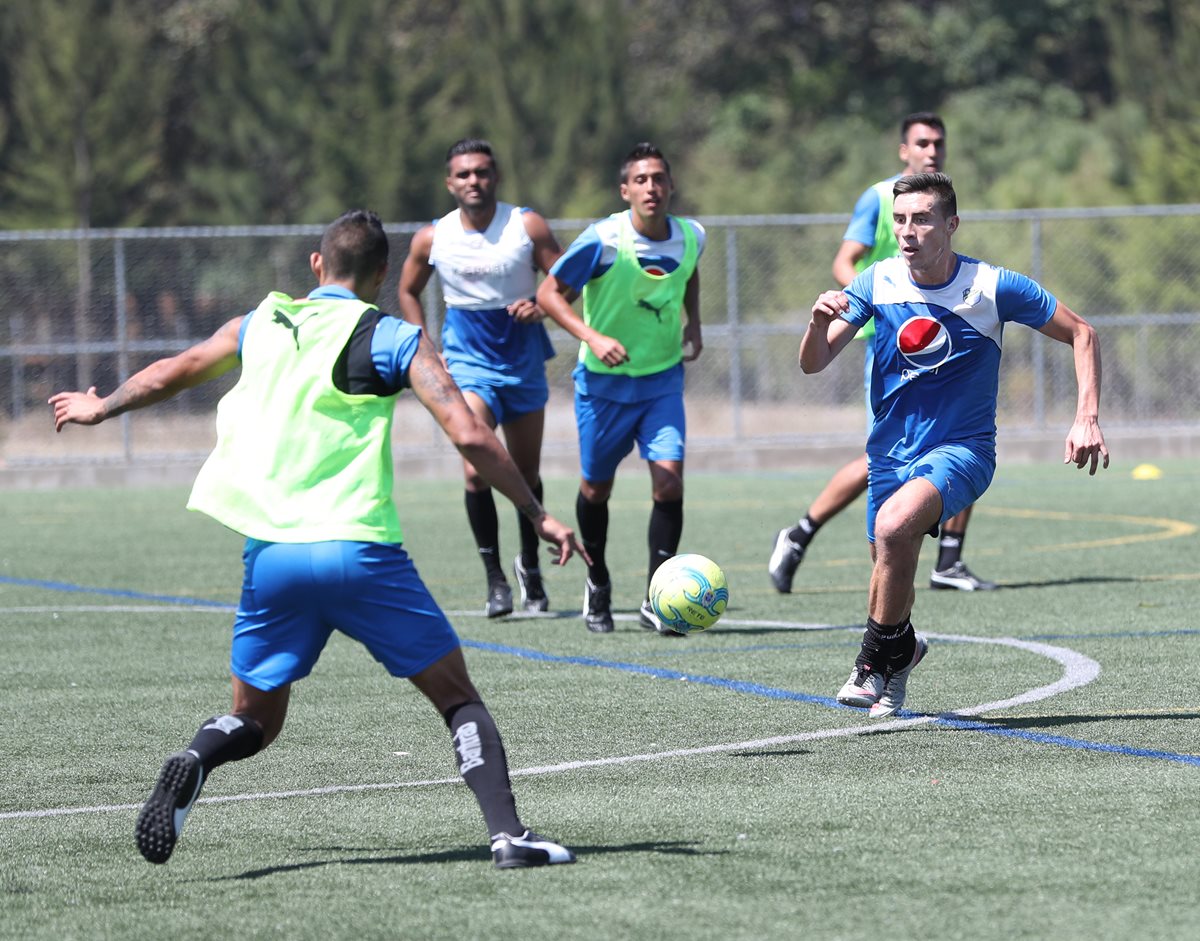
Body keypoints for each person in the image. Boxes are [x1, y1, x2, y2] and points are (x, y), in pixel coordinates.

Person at [49, 210, 585, 869]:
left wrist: (101, 407)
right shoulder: (390, 334)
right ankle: (510, 836)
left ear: (315, 265)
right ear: (384, 275)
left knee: (254, 719)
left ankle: (196, 757)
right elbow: (470, 432)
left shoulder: (263, 322)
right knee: (457, 697)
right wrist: (537, 513)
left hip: (272, 554)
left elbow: (176, 368)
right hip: (359, 550)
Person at [799, 172, 1108, 718]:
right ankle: (905, 649)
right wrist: (816, 324)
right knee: (889, 566)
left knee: (895, 529)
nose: (907, 232)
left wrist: (1086, 417)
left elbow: (1082, 332)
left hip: (963, 451)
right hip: (890, 454)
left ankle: (870, 663)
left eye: (921, 219)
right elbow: (814, 362)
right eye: (899, 220)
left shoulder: (993, 287)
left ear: (951, 224)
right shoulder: (876, 282)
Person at [769, 112, 996, 594]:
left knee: (962, 428)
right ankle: (800, 533)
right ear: (903, 150)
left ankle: (948, 562)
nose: (932, 150)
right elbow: (844, 260)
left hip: (932, 339)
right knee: (886, 458)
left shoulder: (939, 194)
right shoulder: (878, 197)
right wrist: (869, 306)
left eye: (938, 142)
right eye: (922, 143)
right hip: (892, 344)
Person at [536, 142, 704, 635]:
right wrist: (592, 335)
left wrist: (695, 323)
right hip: (604, 387)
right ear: (625, 189)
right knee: (596, 488)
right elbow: (549, 294)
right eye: (642, 180)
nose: (651, 187)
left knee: (669, 482)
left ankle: (658, 595)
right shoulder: (603, 239)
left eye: (659, 178)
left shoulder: (692, 235)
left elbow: (689, 275)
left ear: (671, 186)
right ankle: (598, 579)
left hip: (662, 380)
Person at [399, 139, 563, 618]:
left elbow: (567, 277)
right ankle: (495, 580)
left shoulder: (525, 225)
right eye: (464, 174)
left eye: (483, 172)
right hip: (467, 361)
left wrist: (542, 305)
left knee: (525, 474)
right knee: (476, 466)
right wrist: (424, 345)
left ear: (496, 177)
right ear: (450, 182)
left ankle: (529, 565)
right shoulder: (432, 237)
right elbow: (408, 291)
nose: (474, 181)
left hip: (523, 359)